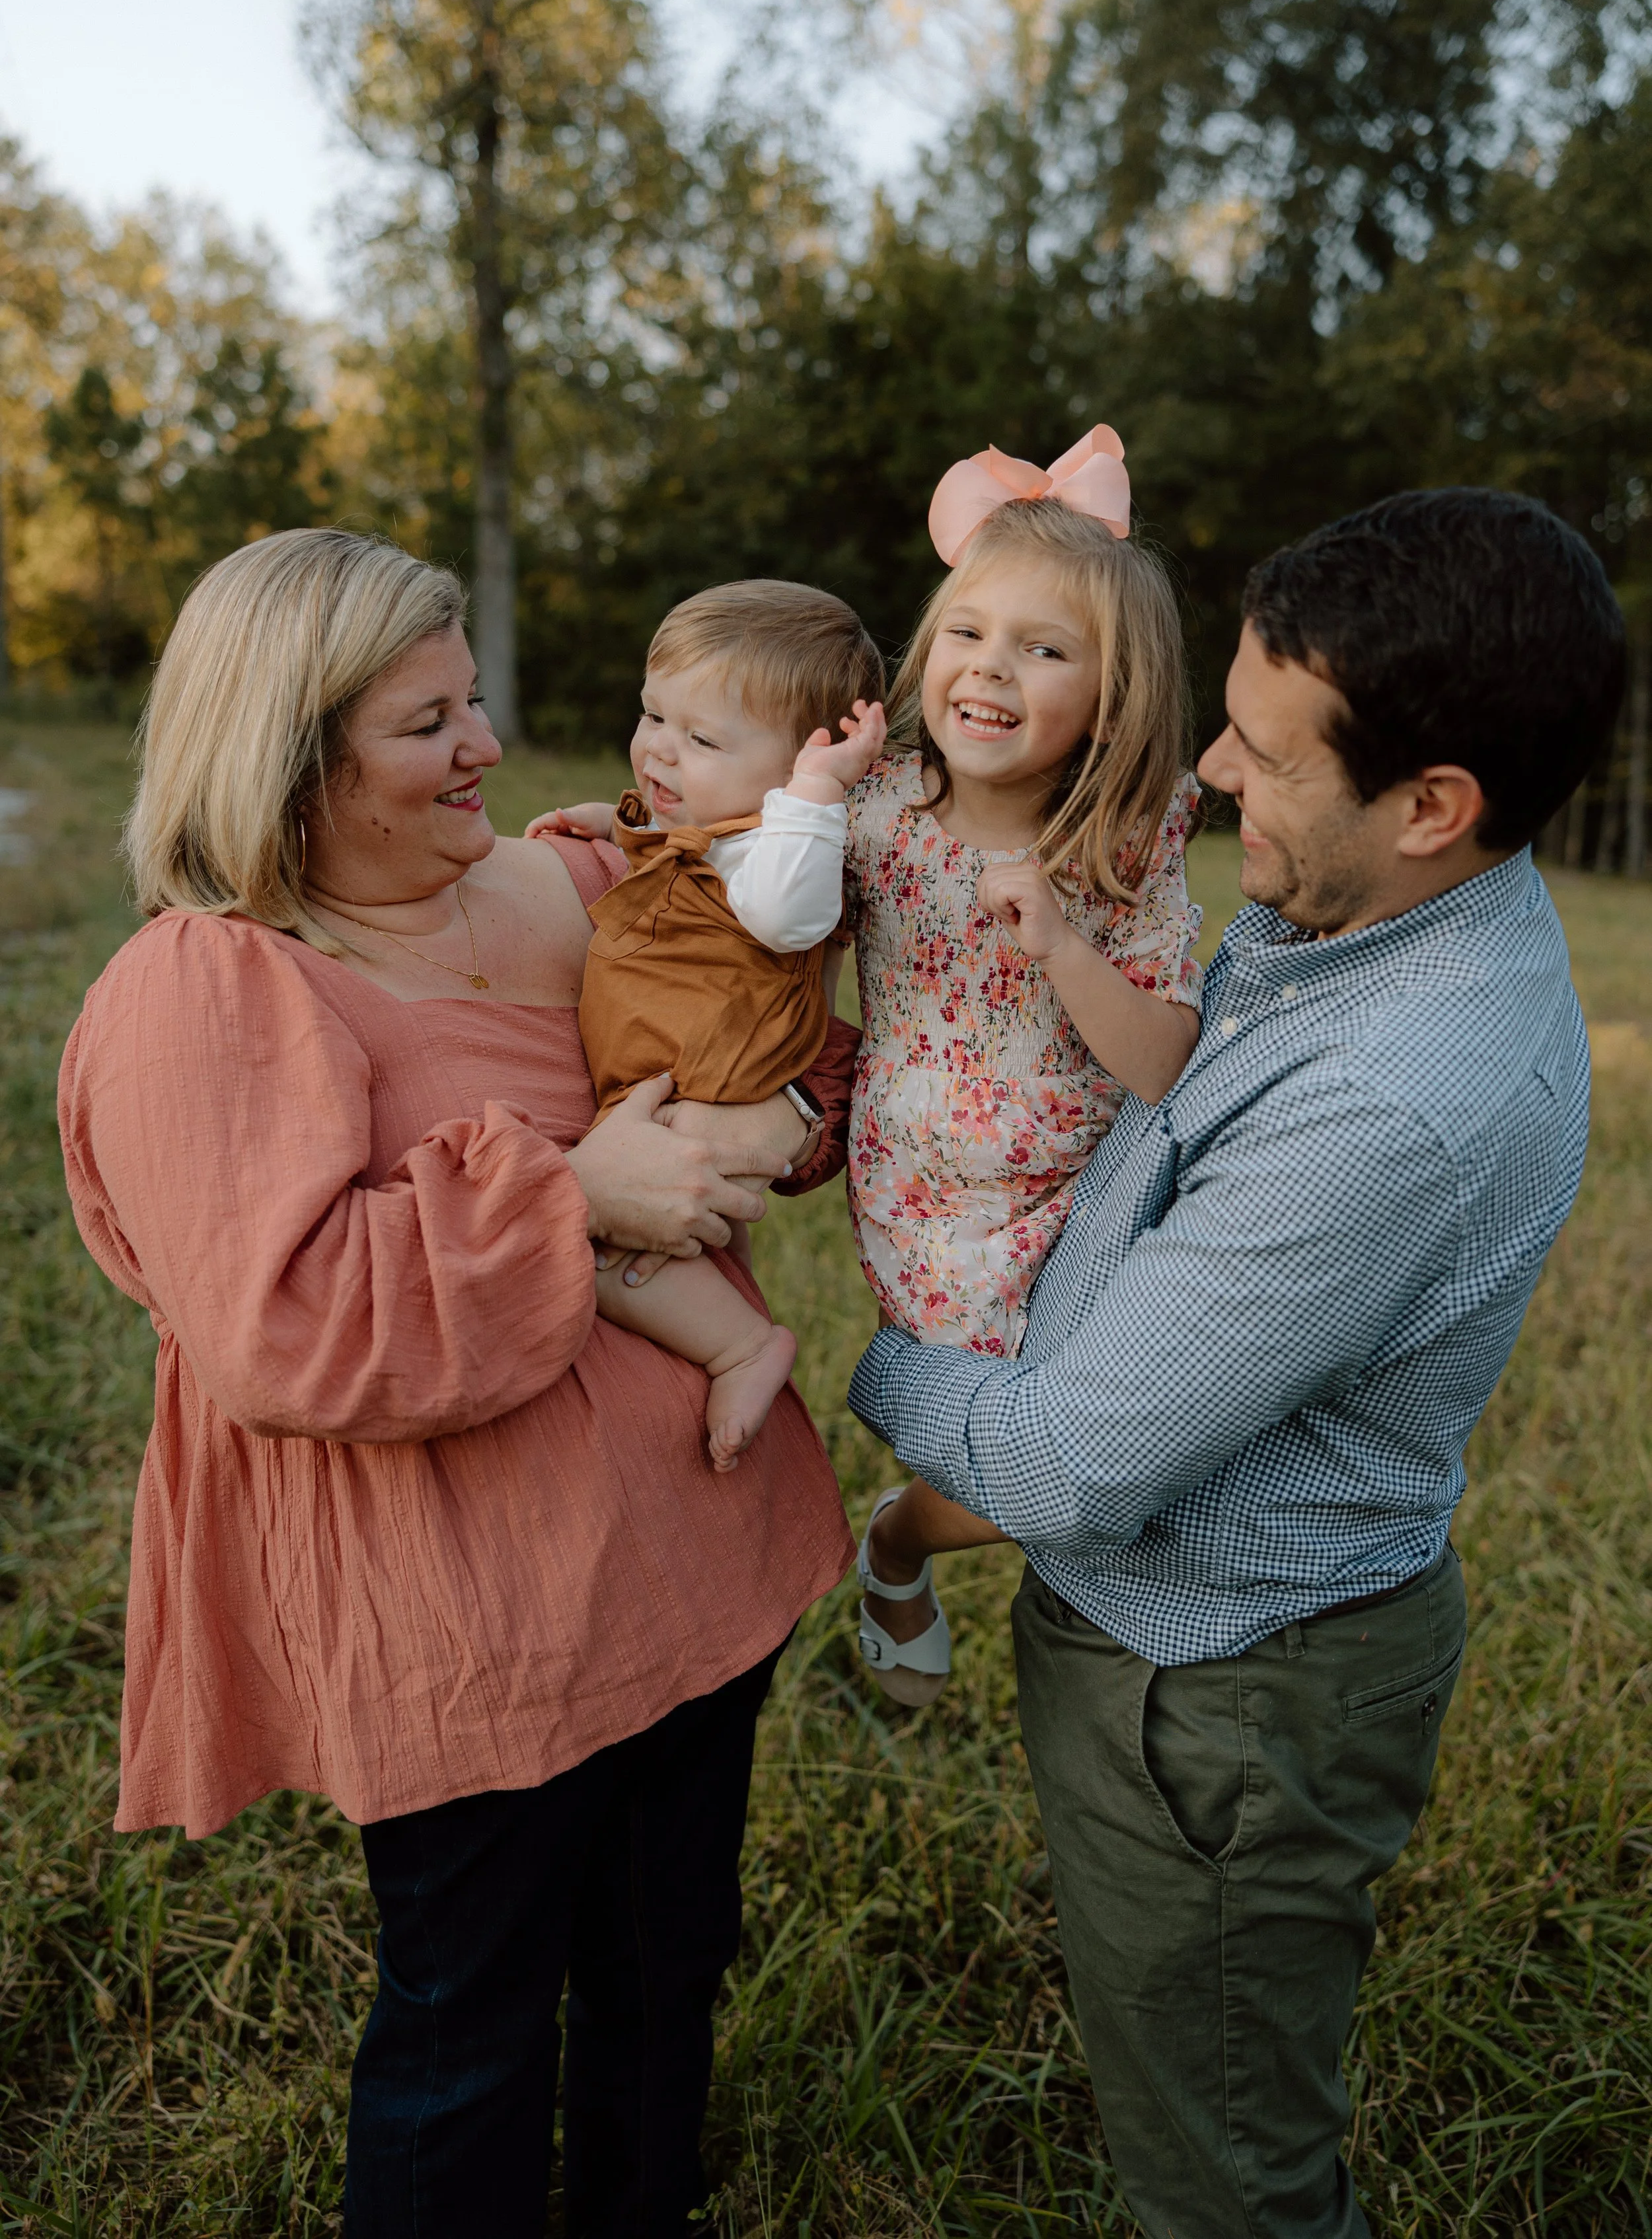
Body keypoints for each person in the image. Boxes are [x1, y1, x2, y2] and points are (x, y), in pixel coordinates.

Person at [56, 529, 860, 2239]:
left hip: (696, 1550)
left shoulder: (576, 873)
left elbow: (777, 1022)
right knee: (468, 2022)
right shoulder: (208, 984)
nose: (487, 746)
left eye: (475, 699)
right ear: (289, 752)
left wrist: (786, 1120)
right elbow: (279, 1325)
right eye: (430, 721)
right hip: (469, 1612)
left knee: (665, 1963)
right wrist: (575, 1196)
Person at [846, 486, 1625, 2238]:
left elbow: (1057, 1466)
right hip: (1179, 1650)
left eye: (1265, 753)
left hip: (1216, 1694)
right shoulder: (1360, 915)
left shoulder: (1393, 1100)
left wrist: (869, 1343)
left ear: (1433, 806)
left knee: (1227, 2186)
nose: (1199, 767)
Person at [843, 430, 1205, 1703]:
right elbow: (743, 894)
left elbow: (1166, 1062)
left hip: (1091, 1191)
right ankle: (895, 1544)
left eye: (1044, 650)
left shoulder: (1125, 837)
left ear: (1114, 695)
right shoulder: (878, 806)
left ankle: (904, 1538)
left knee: (1115, 1456)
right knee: (1026, 1476)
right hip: (931, 1198)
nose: (989, 669)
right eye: (966, 634)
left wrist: (1061, 943)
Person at [529, 579, 887, 1470]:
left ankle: (740, 1347)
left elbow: (779, 915)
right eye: (654, 716)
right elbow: (677, 836)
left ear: (803, 759)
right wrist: (611, 827)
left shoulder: (788, 847)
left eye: (699, 738)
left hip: (714, 1075)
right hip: (674, 1065)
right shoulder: (725, 819)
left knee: (600, 1241)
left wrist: (813, 793)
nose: (659, 748)